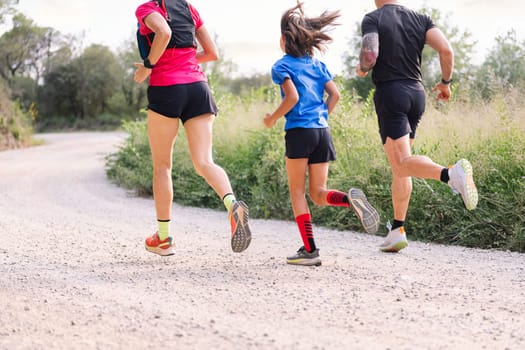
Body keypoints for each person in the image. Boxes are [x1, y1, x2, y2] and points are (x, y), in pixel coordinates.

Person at [355, 0, 478, 253]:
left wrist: (362, 68)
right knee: (403, 166)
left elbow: (370, 54)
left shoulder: (373, 18)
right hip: (416, 93)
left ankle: (450, 174)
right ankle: (397, 230)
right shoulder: (421, 19)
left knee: (401, 163)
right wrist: (445, 83)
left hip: (391, 92)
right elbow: (447, 51)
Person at [264, 2, 380, 266]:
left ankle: (310, 250)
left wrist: (272, 117)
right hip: (322, 132)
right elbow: (335, 94)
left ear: (284, 40)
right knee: (319, 193)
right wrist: (322, 116)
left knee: (297, 192)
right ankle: (349, 201)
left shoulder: (282, 66)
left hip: (298, 132)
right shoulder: (317, 65)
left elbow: (291, 97)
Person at [134, 0, 251, 256]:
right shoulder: (189, 9)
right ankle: (232, 204)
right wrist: (184, 61)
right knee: (204, 162)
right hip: (198, 87)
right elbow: (212, 53)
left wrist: (150, 66)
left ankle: (163, 239)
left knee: (163, 167)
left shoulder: (147, 9)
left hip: (166, 88)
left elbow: (163, 33)